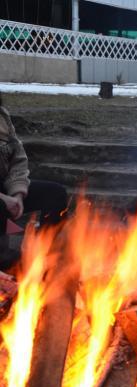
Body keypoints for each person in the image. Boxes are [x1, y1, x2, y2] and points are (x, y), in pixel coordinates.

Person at [0, 92, 68, 270]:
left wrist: (17, 194)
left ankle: (43, 255)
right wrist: (4, 199)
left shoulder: (2, 116)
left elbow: (18, 160)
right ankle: (4, 260)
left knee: (55, 194)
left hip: (6, 190)